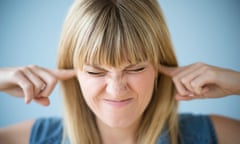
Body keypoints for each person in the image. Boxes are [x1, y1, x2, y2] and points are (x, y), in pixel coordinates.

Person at [0, 0, 239, 144]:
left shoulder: (208, 136)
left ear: (158, 66)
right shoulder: (33, 139)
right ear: (72, 71)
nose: (116, 89)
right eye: (95, 71)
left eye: (135, 68)